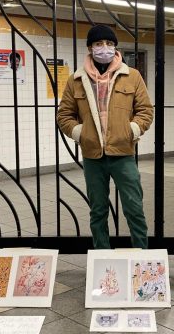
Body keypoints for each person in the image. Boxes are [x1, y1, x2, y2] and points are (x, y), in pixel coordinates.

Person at [57, 24, 154, 249]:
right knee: (98, 210)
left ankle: (141, 254)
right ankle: (103, 255)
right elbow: (64, 115)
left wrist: (132, 130)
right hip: (93, 156)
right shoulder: (76, 80)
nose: (105, 48)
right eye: (99, 44)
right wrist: (81, 133)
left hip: (123, 153)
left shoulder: (132, 76)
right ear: (90, 47)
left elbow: (146, 111)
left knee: (134, 207)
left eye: (110, 44)